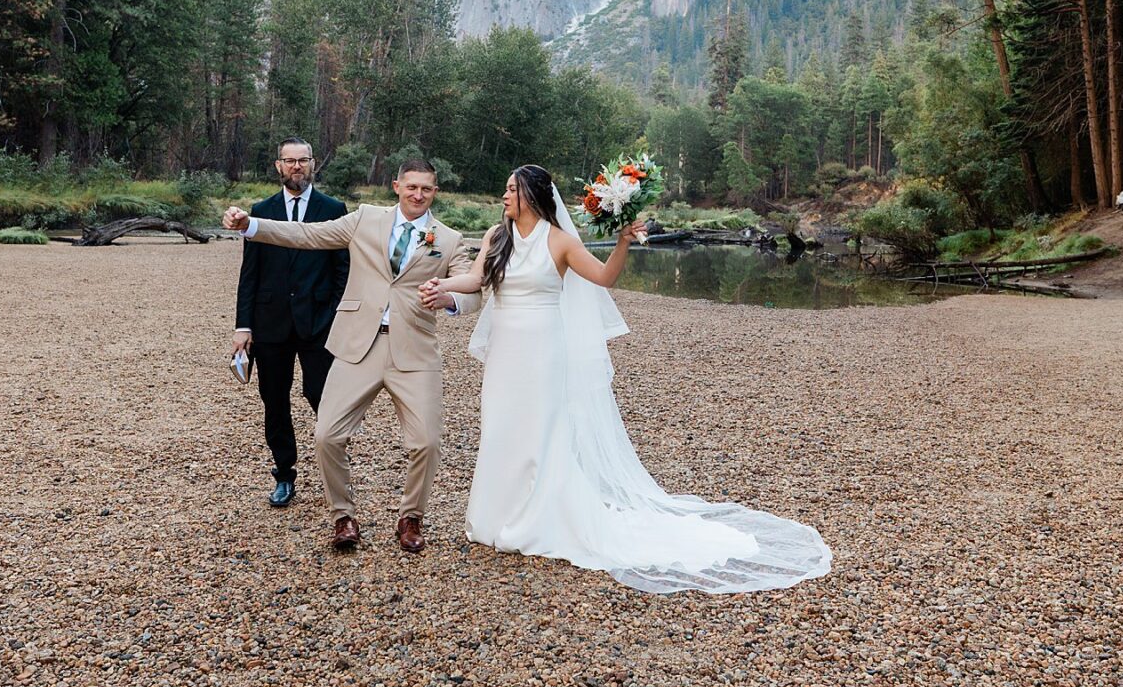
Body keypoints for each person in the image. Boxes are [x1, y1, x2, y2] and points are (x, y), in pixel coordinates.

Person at [422, 164, 832, 594]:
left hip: (544, 351)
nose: (504, 196)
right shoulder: (496, 236)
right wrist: (440, 283)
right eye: (505, 189)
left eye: (512, 190)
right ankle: (495, 518)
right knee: (501, 427)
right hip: (506, 350)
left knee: (540, 432)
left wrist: (621, 244)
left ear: (533, 196)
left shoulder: (559, 240)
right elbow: (476, 279)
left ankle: (538, 520)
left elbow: (602, 277)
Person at [221, 159, 480, 553]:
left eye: (426, 189)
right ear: (397, 186)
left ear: (435, 192)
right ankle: (343, 516)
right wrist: (251, 226)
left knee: (426, 441)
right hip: (358, 344)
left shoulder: (448, 239)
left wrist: (450, 300)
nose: (418, 195)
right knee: (326, 435)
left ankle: (411, 517)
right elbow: (307, 235)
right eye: (411, 187)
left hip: (414, 350)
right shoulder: (365, 219)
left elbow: (472, 290)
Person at [233, 138, 350, 508]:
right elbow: (249, 274)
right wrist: (243, 325)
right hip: (271, 324)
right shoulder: (259, 211)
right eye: (289, 161)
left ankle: (335, 472)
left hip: (319, 323)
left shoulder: (334, 208)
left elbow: (343, 270)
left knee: (323, 398)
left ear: (313, 163)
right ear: (278, 166)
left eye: (303, 160)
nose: (296, 166)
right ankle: (284, 475)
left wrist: (335, 315)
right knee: (274, 401)